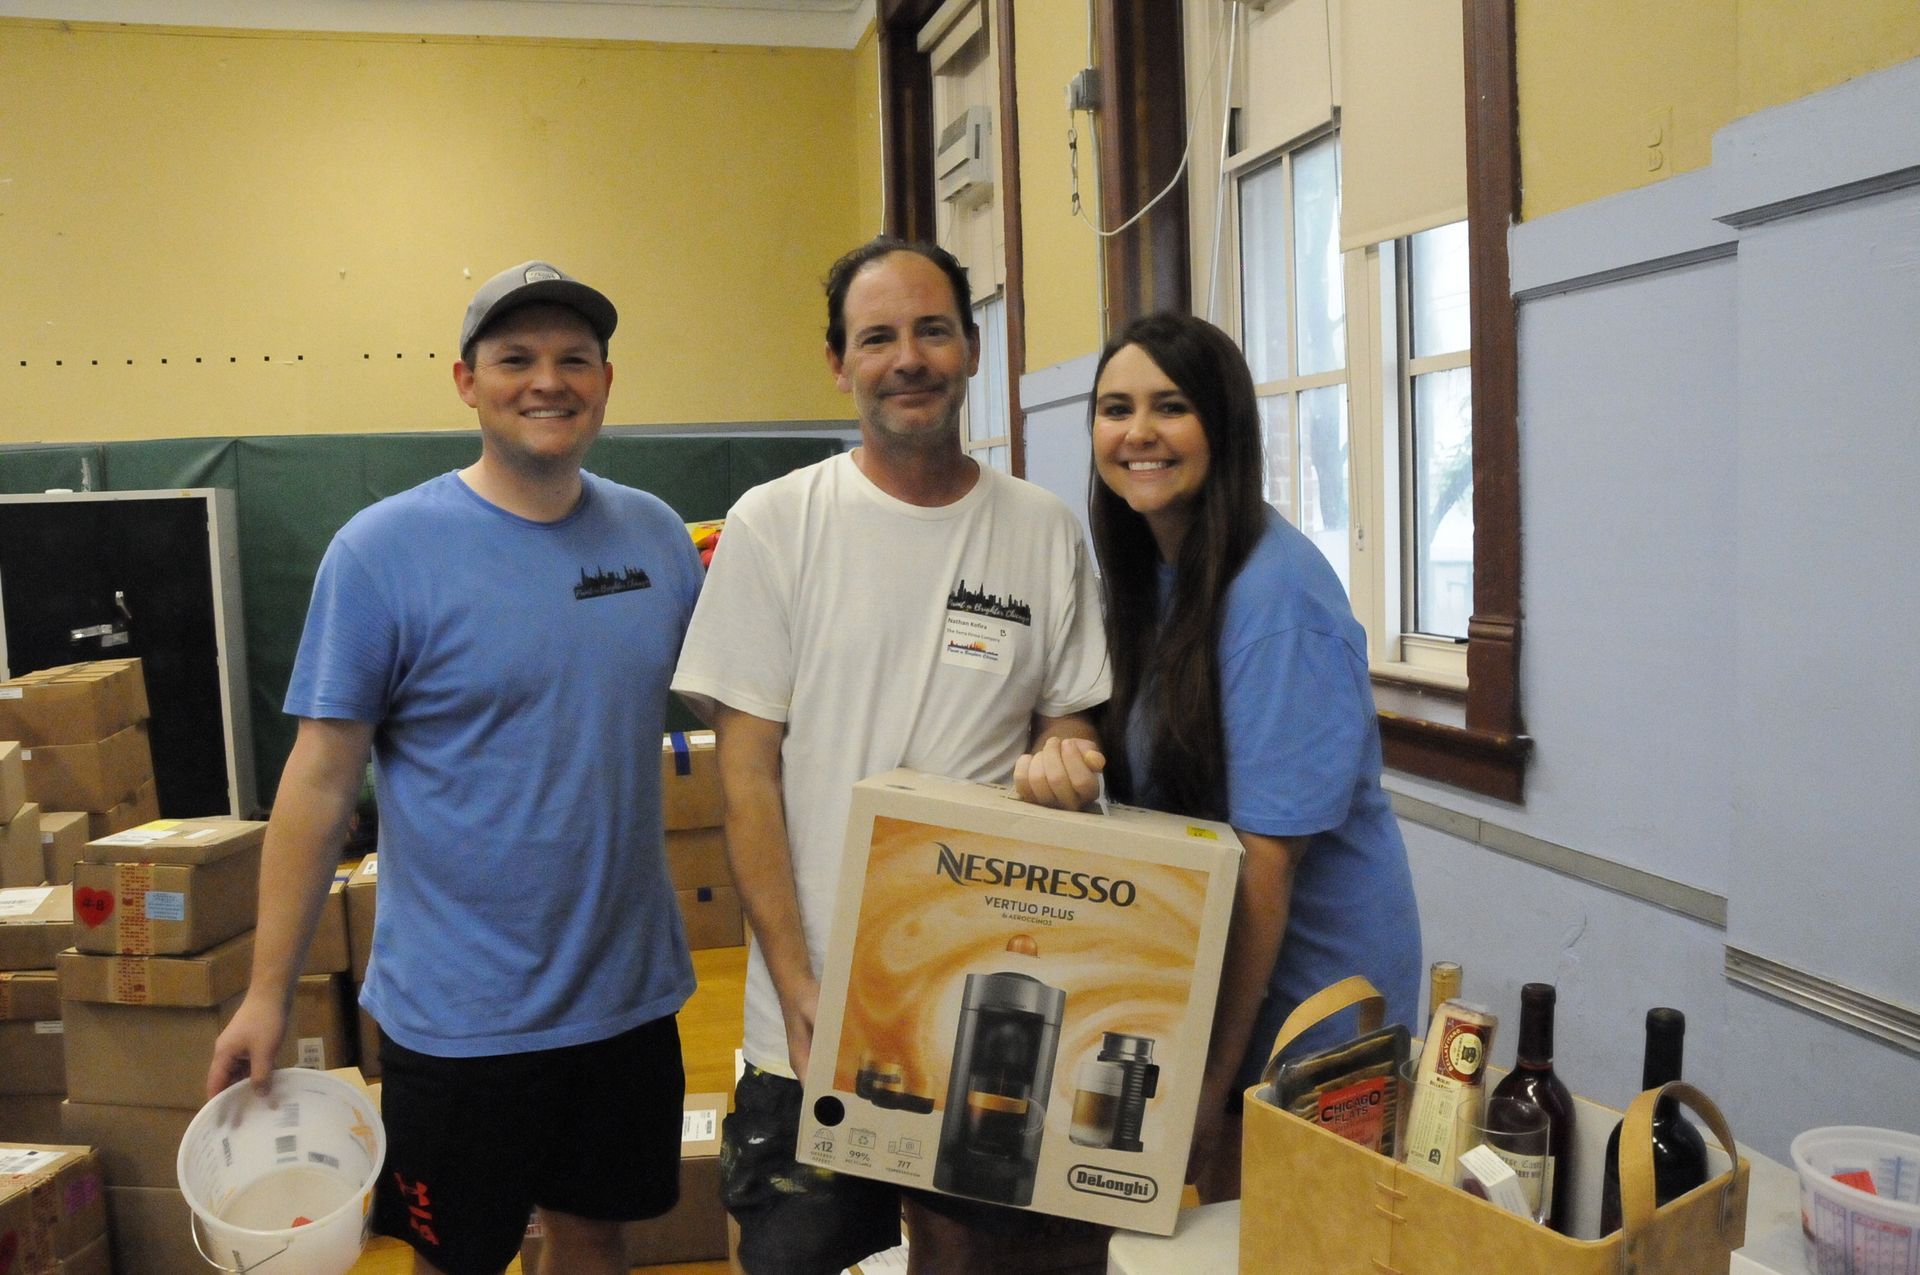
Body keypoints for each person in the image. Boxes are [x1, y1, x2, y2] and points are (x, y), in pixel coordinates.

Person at [207, 261, 705, 1275]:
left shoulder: (655, 537)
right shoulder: (382, 552)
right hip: (460, 1018)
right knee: (459, 1257)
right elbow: (316, 784)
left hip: (627, 996)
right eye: (514, 359)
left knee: (596, 1234)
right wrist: (267, 993)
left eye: (574, 359)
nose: (546, 381)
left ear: (607, 381)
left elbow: (747, 723)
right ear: (464, 382)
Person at [670, 237, 1112, 1274]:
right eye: (878, 337)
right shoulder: (777, 525)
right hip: (814, 1025)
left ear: (969, 346)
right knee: (799, 1259)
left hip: (991, 1019)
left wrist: (1067, 755)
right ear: (840, 363)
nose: (907, 357)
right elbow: (746, 782)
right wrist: (799, 980)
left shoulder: (1042, 531)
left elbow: (1072, 719)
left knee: (977, 1264)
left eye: (931, 330)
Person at [1076, 311, 1421, 1202]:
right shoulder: (1152, 574)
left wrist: (1204, 1081)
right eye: (1116, 408)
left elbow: (1266, 864)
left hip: (1309, 1008)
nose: (1139, 432)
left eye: (1171, 406)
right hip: (1221, 983)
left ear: (1223, 429)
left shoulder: (1276, 597)